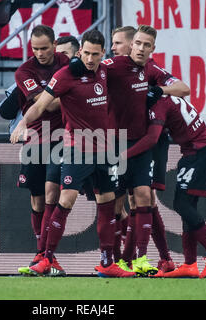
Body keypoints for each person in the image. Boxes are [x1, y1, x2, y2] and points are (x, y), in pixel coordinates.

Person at [11, 29, 136, 278]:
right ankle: (46, 258)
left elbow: (133, 60)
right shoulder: (65, 75)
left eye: (95, 54)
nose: (90, 59)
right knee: (65, 200)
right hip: (76, 148)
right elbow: (41, 104)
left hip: (105, 147)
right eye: (86, 53)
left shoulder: (106, 70)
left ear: (103, 54)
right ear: (79, 52)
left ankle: (107, 262)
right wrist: (23, 123)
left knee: (107, 203)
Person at [108, 25, 190, 275]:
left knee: (144, 197)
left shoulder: (151, 70)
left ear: (152, 48)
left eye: (147, 45)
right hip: (113, 142)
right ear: (133, 45)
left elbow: (184, 89)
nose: (141, 48)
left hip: (146, 142)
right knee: (116, 203)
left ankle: (142, 259)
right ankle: (119, 260)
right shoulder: (113, 66)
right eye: (138, 44)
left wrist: (158, 90)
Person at [121, 94, 206, 279]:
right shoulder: (166, 97)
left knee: (182, 205)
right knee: (187, 205)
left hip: (199, 152)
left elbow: (152, 138)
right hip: (197, 151)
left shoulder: (158, 106)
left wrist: (124, 155)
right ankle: (190, 264)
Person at [13, 25, 71, 276]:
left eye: (45, 48)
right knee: (37, 199)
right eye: (35, 48)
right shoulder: (24, 71)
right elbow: (43, 105)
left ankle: (43, 254)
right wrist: (70, 97)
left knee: (52, 194)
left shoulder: (65, 62)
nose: (40, 53)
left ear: (54, 44)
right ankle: (44, 254)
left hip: (63, 137)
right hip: (36, 138)